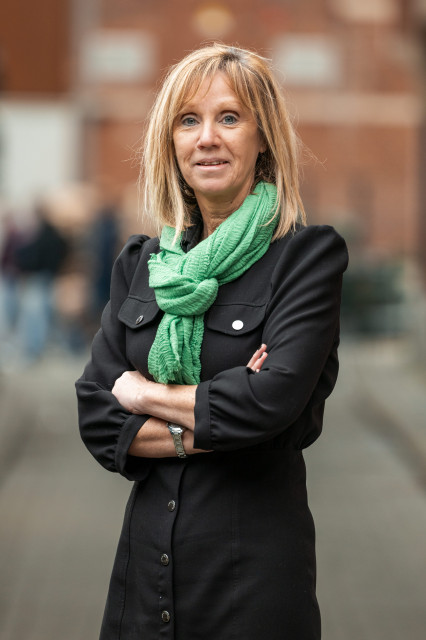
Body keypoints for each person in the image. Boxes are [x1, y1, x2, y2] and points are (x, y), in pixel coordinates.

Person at [76, 44, 348, 640]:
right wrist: (225, 413)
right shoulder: (142, 265)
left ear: (263, 138)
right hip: (145, 582)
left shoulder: (304, 259)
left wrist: (143, 395)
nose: (207, 139)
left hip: (252, 586)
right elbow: (97, 418)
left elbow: (269, 405)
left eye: (229, 118)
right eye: (188, 120)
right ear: (170, 142)